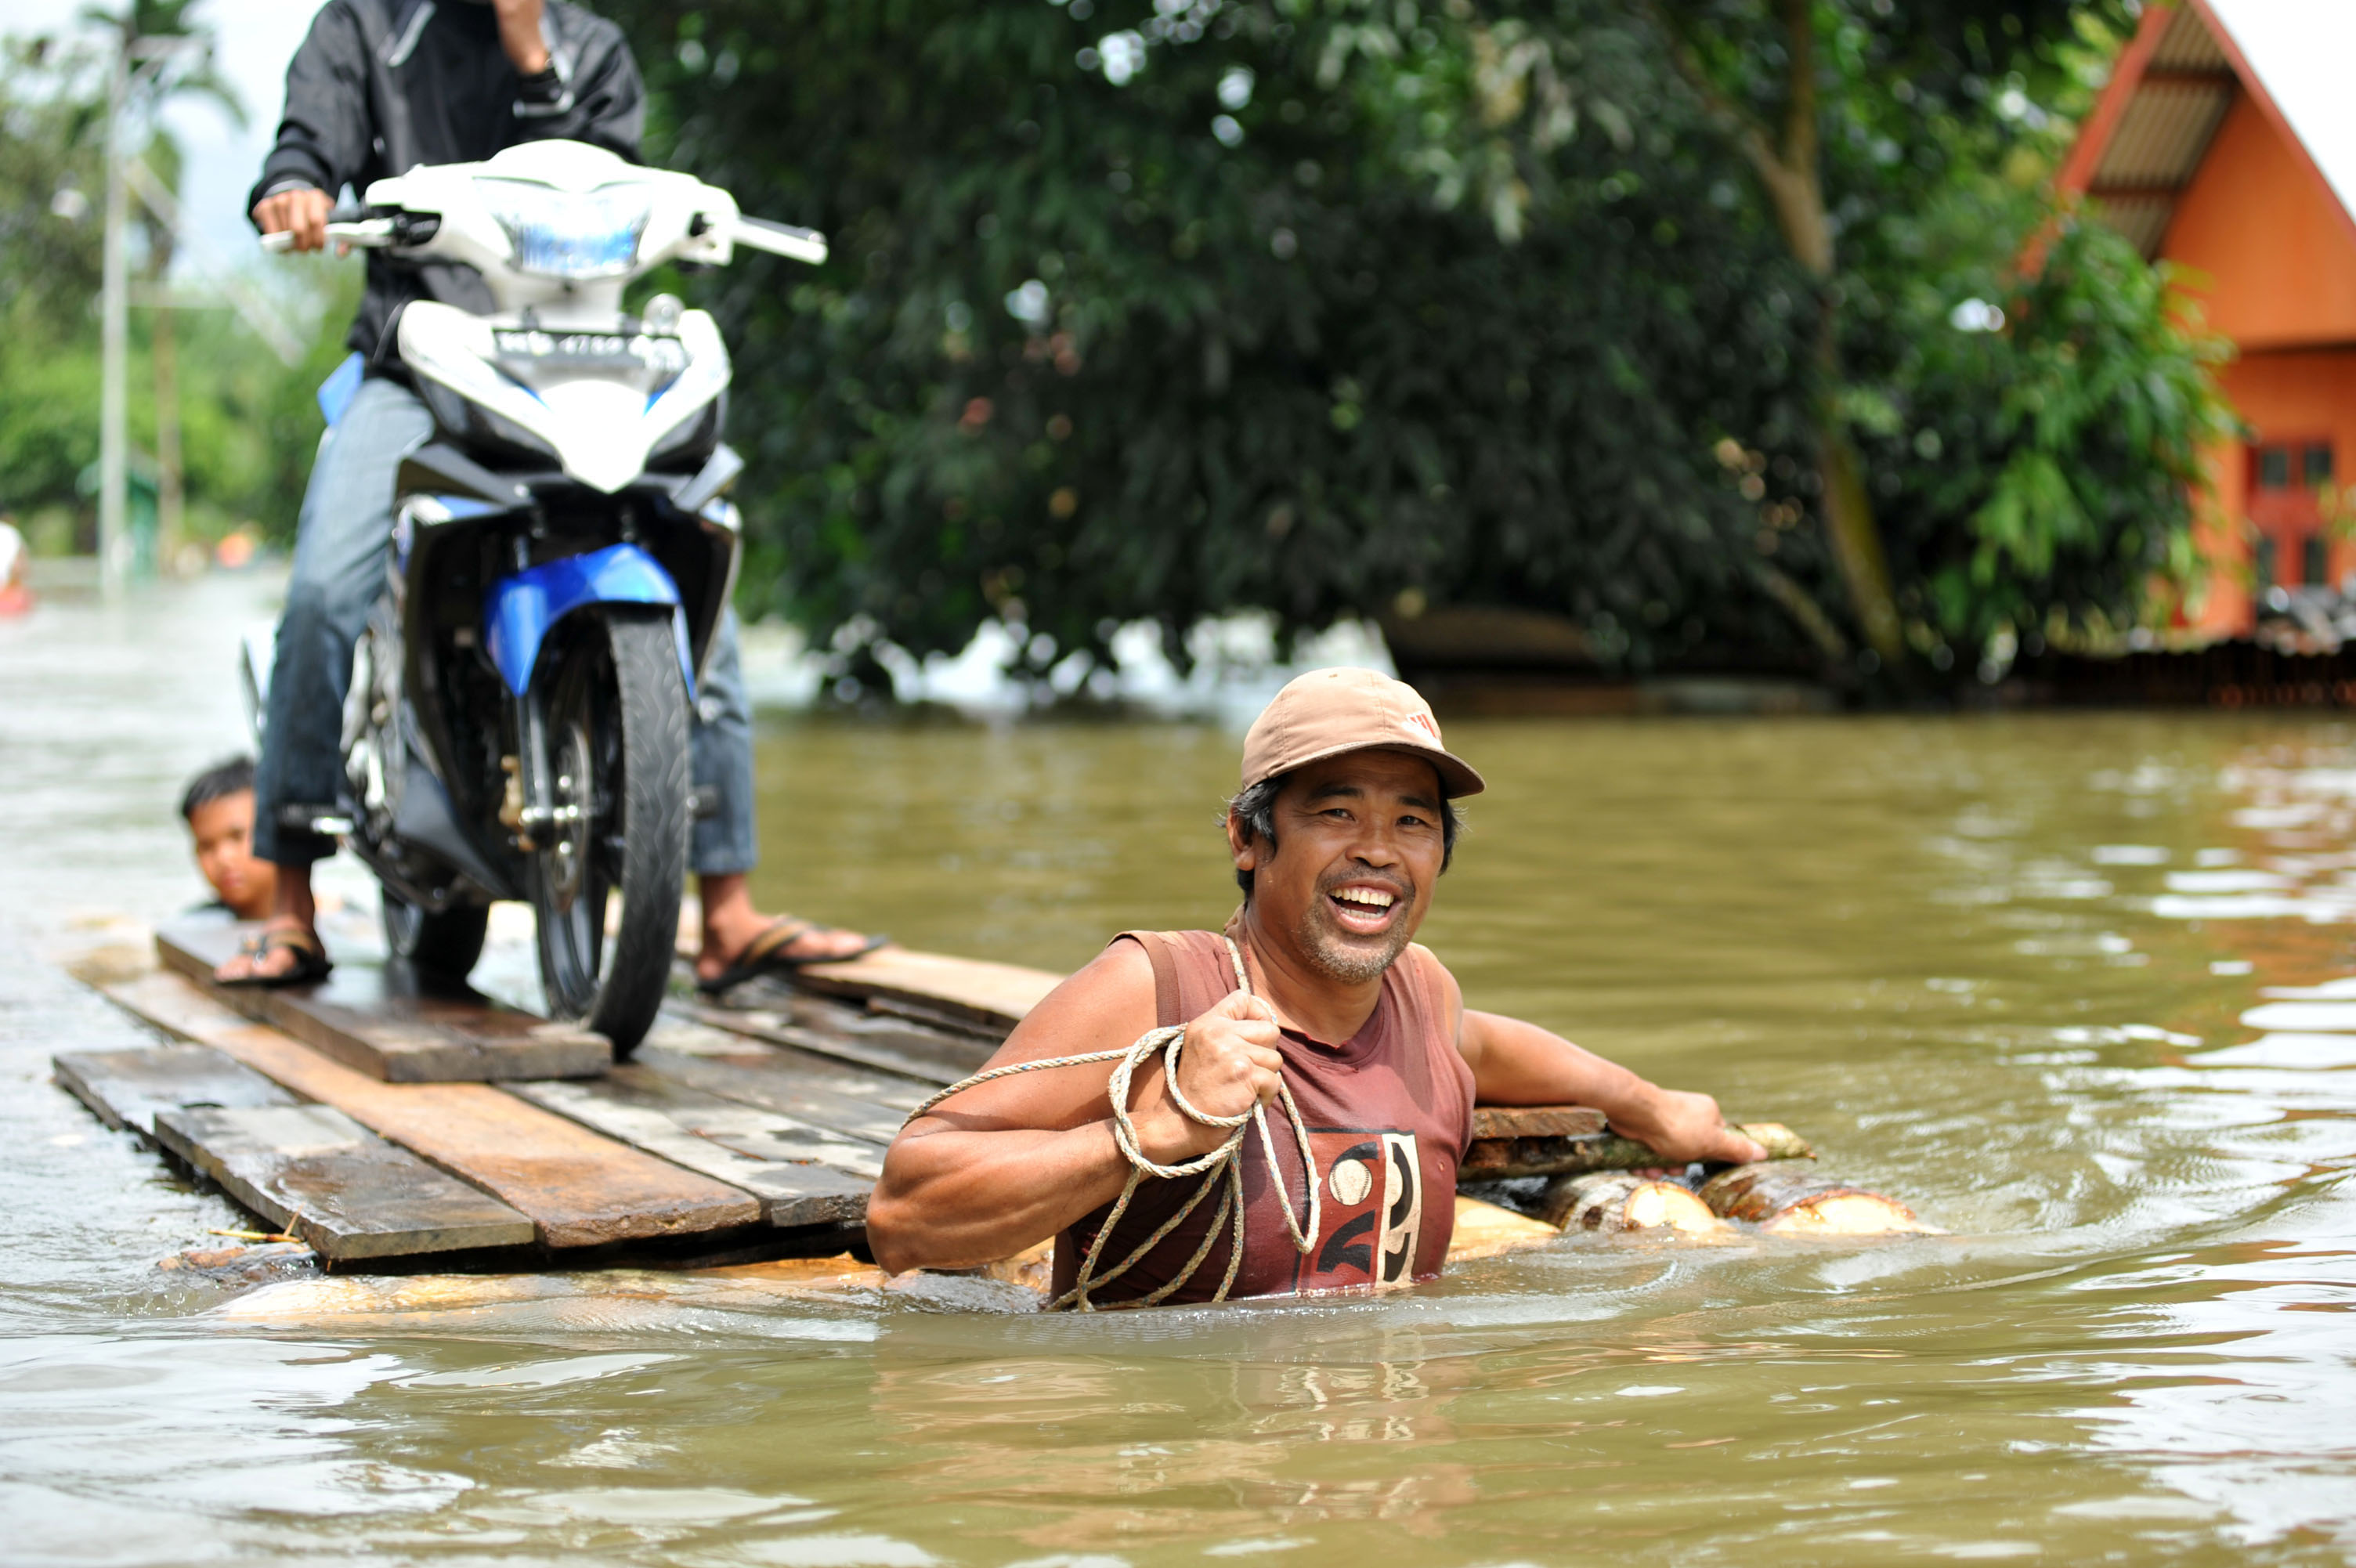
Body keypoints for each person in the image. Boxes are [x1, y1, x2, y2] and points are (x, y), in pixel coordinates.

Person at [220, 0, 876, 986]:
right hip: (421, 353)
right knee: (321, 587)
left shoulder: (589, 43)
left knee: (700, 560)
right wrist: (296, 189)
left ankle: (727, 910)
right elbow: (306, 143)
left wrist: (531, 53)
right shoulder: (365, 24)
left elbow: (603, 190)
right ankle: (290, 902)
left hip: (583, 359)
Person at [867, 667, 1768, 1305]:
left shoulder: (1423, 996)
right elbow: (904, 1215)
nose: (1376, 849)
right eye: (1335, 811)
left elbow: (1483, 1046)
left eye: (1411, 820)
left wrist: (1649, 1105)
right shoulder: (1159, 988)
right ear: (1245, 839)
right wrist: (1148, 1133)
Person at [180, 756, 278, 922]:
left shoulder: (331, 917)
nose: (223, 858)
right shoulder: (192, 923)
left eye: (237, 836)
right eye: (206, 846)